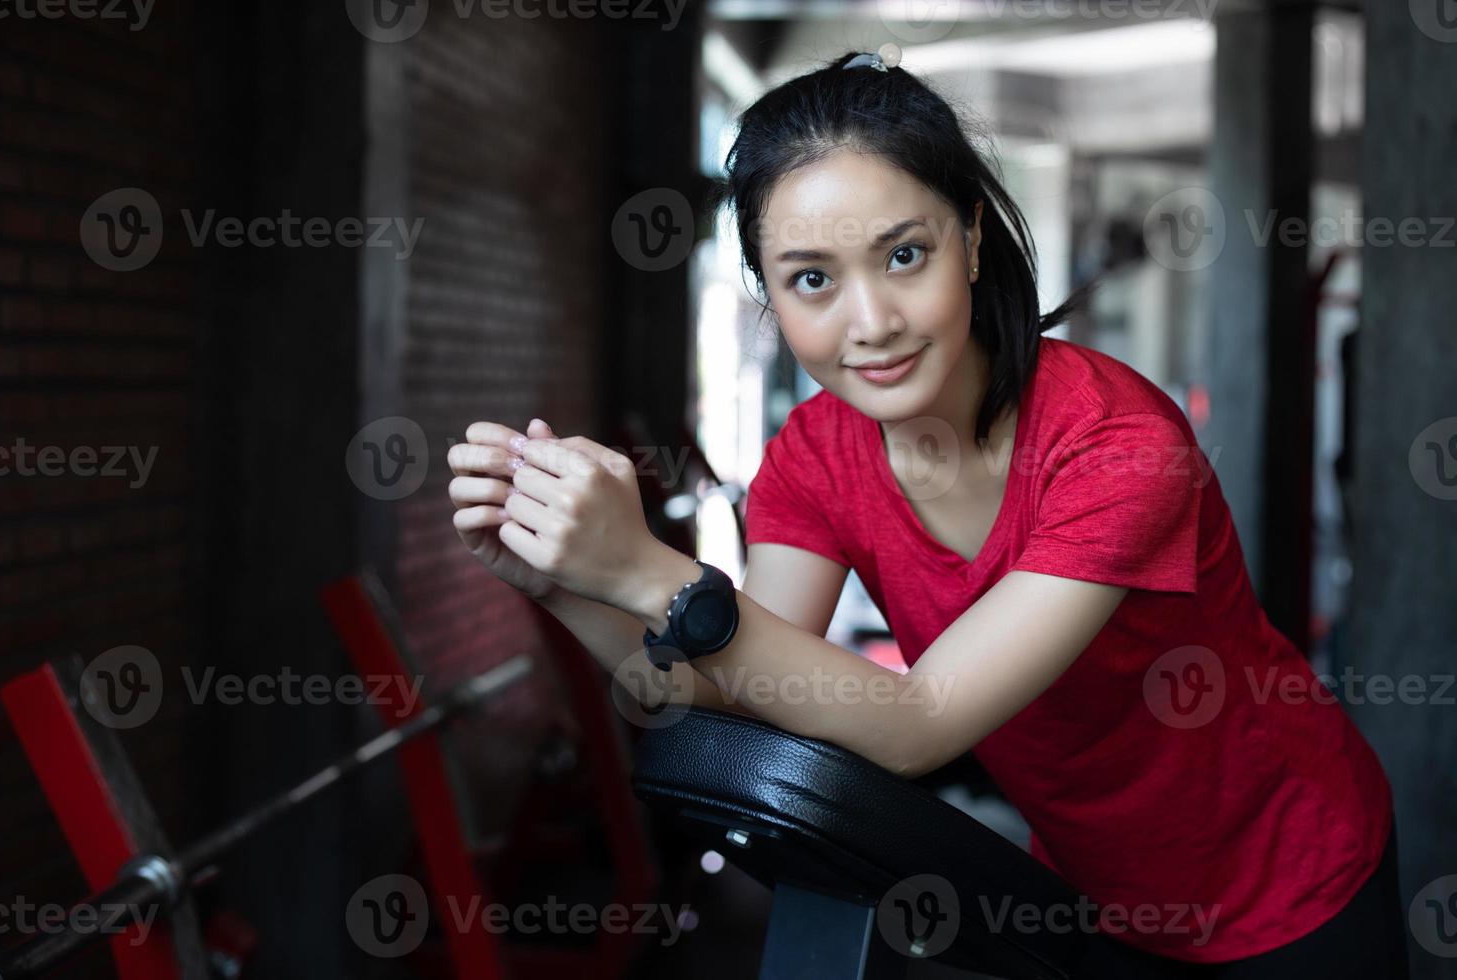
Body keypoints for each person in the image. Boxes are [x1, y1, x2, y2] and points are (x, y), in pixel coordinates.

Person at [447, 50, 1407, 978]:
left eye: (904, 255)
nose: (871, 323)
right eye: (812, 279)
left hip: (1292, 876)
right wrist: (568, 585)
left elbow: (919, 721)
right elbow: (732, 692)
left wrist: (645, 570)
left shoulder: (1116, 443)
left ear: (974, 236)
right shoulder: (817, 456)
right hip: (1094, 888)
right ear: (771, 299)